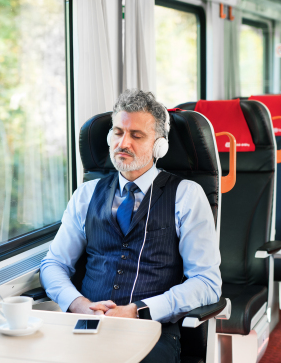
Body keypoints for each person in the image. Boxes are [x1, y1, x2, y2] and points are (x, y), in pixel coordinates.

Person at [40, 89, 221, 362]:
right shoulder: (86, 194)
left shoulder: (186, 195)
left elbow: (207, 283)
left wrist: (140, 309)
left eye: (136, 135)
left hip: (151, 329)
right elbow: (53, 263)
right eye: (117, 132)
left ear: (159, 145)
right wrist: (78, 304)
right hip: (88, 325)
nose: (123, 143)